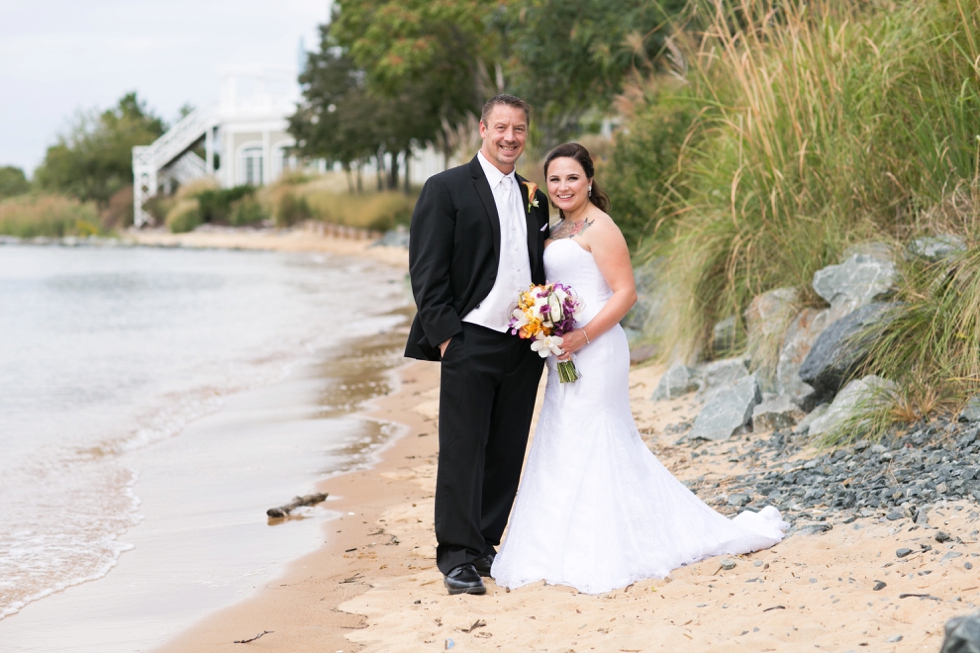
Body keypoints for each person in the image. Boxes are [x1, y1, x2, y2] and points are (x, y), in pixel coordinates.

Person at [490, 142, 788, 595]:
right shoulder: (555, 229)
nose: (563, 186)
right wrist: (547, 327)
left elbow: (626, 293)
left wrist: (581, 336)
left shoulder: (601, 227)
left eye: (572, 177)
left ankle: (606, 546)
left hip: (597, 346)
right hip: (563, 349)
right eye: (554, 179)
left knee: (598, 436)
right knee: (562, 435)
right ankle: (554, 547)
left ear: (590, 180)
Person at [404, 94, 550, 595]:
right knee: (464, 450)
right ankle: (457, 557)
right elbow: (426, 271)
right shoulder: (445, 189)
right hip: (468, 340)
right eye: (502, 127)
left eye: (520, 129)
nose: (511, 137)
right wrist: (447, 337)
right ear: (482, 128)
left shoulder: (534, 194)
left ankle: (487, 543)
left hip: (523, 345)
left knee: (507, 449)